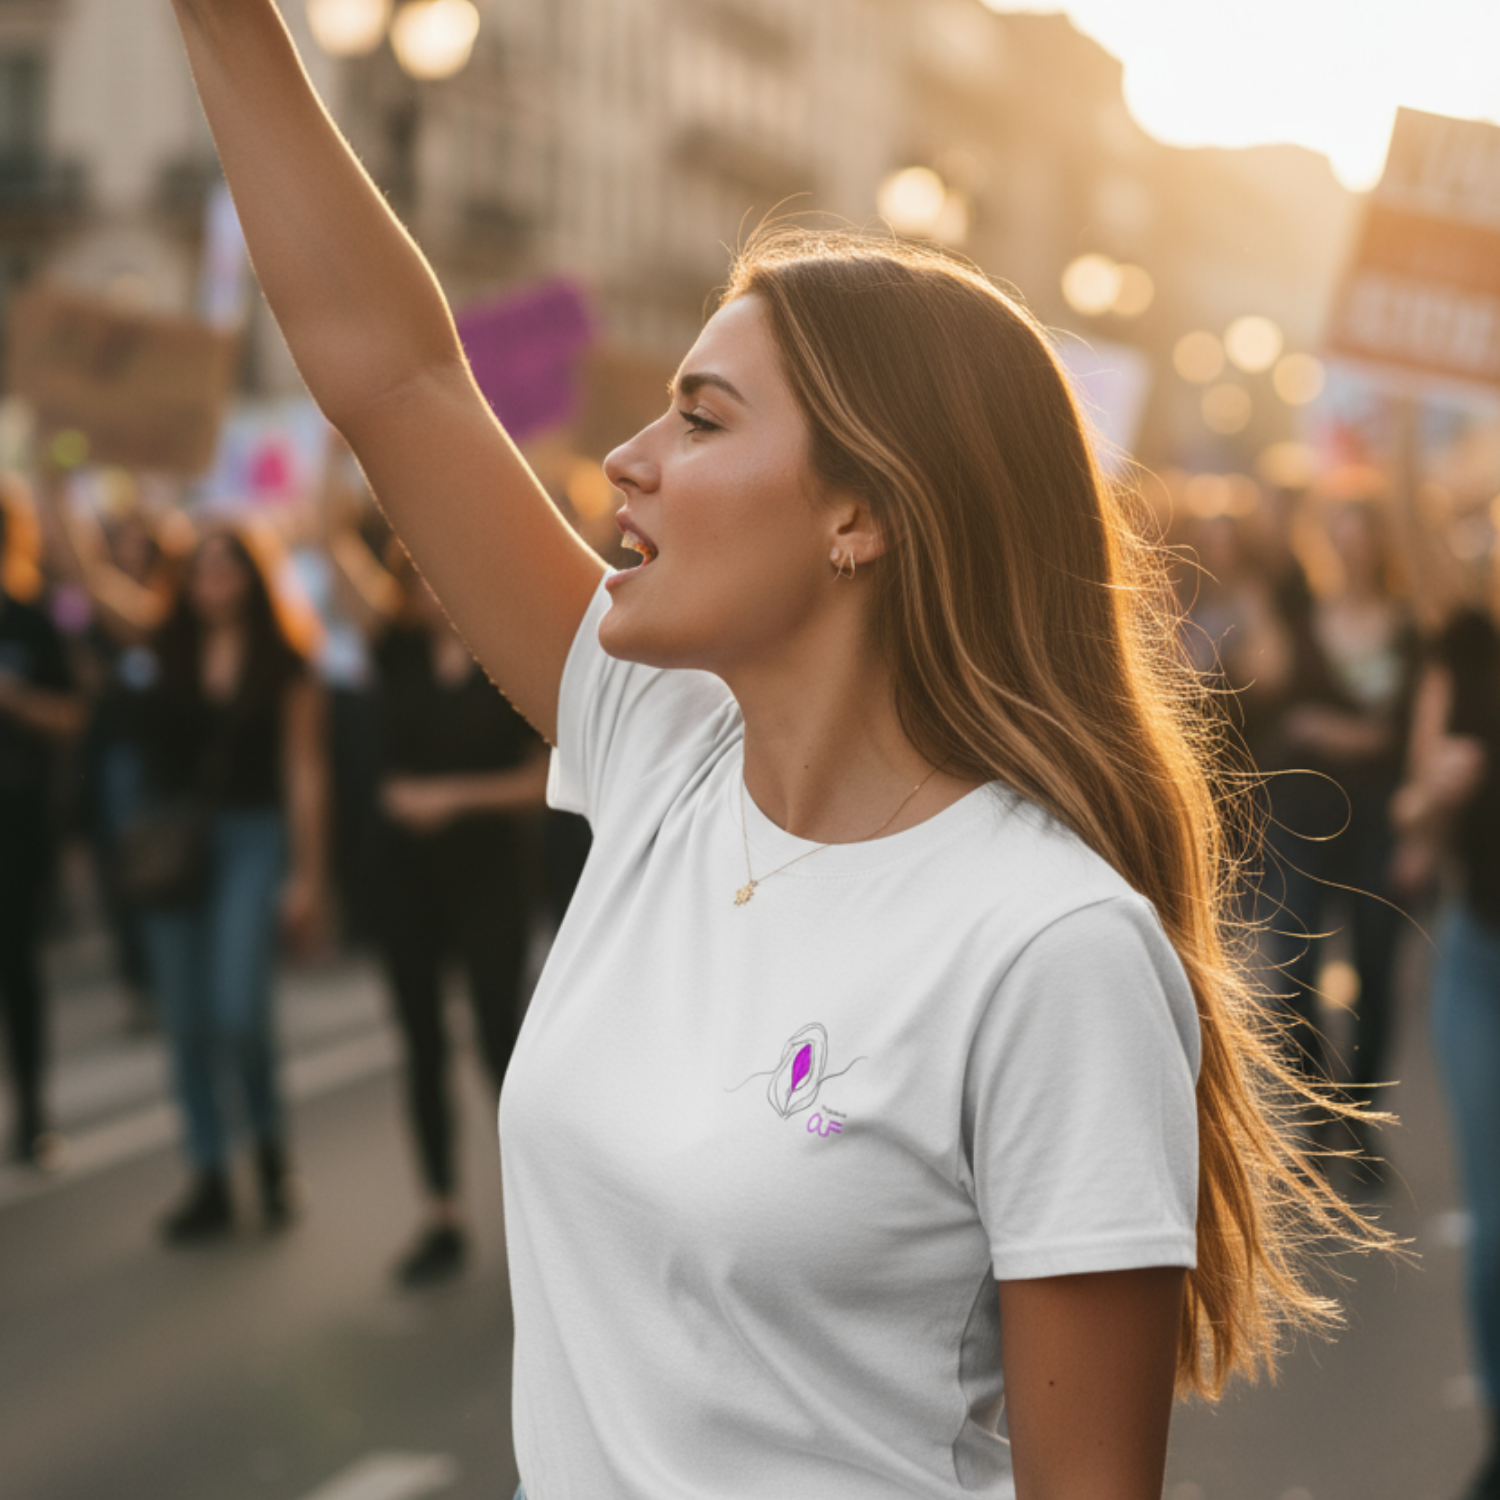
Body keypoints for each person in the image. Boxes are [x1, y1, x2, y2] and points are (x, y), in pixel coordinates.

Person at [168, 3, 1389, 1492]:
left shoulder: (1049, 945)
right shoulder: (664, 752)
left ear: (859, 515)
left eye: (701, 417)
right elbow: (398, 379)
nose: (626, 459)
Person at [137, 522, 329, 1243]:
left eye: (227, 568)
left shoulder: (285, 657)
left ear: (253, 575)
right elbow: (90, 586)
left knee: (238, 1009)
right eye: (200, 570)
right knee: (186, 1021)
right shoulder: (164, 646)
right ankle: (209, 1173)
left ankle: (270, 1153)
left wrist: (309, 876)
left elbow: (305, 771)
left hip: (254, 841)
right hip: (173, 850)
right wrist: (62, 482)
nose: (212, 582)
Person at [373, 553, 549, 1286]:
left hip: (488, 872)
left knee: (502, 1042)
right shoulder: (395, 652)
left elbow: (543, 782)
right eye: (418, 579)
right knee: (419, 1043)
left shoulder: (507, 657)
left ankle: (544, 1215)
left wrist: (452, 799)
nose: (432, 594)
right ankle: (441, 1213)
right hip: (407, 876)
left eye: (442, 576)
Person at [1392, 601, 1500, 1500]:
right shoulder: (1468, 642)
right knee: (1496, 1230)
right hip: (1482, 961)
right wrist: (1437, 791)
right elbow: (1413, 808)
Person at [1264, 500, 1419, 1126]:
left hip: (1380, 820)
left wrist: (1339, 732)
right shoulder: (1302, 621)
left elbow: (1402, 732)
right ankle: (1312, 1108)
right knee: (1292, 967)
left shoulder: (1408, 628)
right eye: (1341, 538)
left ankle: (1361, 1117)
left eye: (1363, 538)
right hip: (1303, 817)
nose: (1351, 551)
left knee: (1375, 971)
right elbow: (1273, 701)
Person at [0, 478, 85, 1166]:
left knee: (17, 965)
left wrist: (16, 698)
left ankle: (32, 1110)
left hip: (20, 822)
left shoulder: (33, 619)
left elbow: (71, 718)